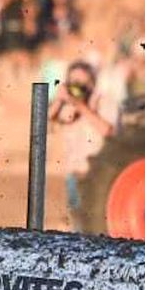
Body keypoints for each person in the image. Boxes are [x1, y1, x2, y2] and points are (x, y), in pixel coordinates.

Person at [48, 61, 115, 214]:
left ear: (92, 83)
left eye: (82, 82)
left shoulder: (104, 102)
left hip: (98, 174)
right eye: (74, 82)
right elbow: (48, 121)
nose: (77, 87)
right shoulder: (66, 106)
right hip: (74, 174)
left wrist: (81, 106)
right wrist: (60, 99)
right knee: (77, 222)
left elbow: (108, 131)